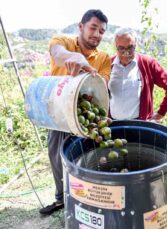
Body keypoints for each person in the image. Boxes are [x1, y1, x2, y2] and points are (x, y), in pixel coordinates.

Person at [39, 9, 111, 215]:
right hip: (58, 114)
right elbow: (58, 54)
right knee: (56, 154)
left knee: (88, 156)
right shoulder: (63, 41)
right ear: (81, 26)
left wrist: (86, 66)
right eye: (93, 28)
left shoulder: (104, 58)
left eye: (102, 31)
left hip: (85, 115)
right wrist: (74, 57)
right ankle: (62, 198)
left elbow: (102, 83)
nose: (97, 34)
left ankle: (87, 197)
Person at [108, 27, 167, 122]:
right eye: (121, 48)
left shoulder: (148, 63)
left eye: (130, 48)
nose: (126, 53)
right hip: (113, 125)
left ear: (135, 45)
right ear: (116, 46)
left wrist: (160, 113)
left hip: (140, 125)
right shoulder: (108, 64)